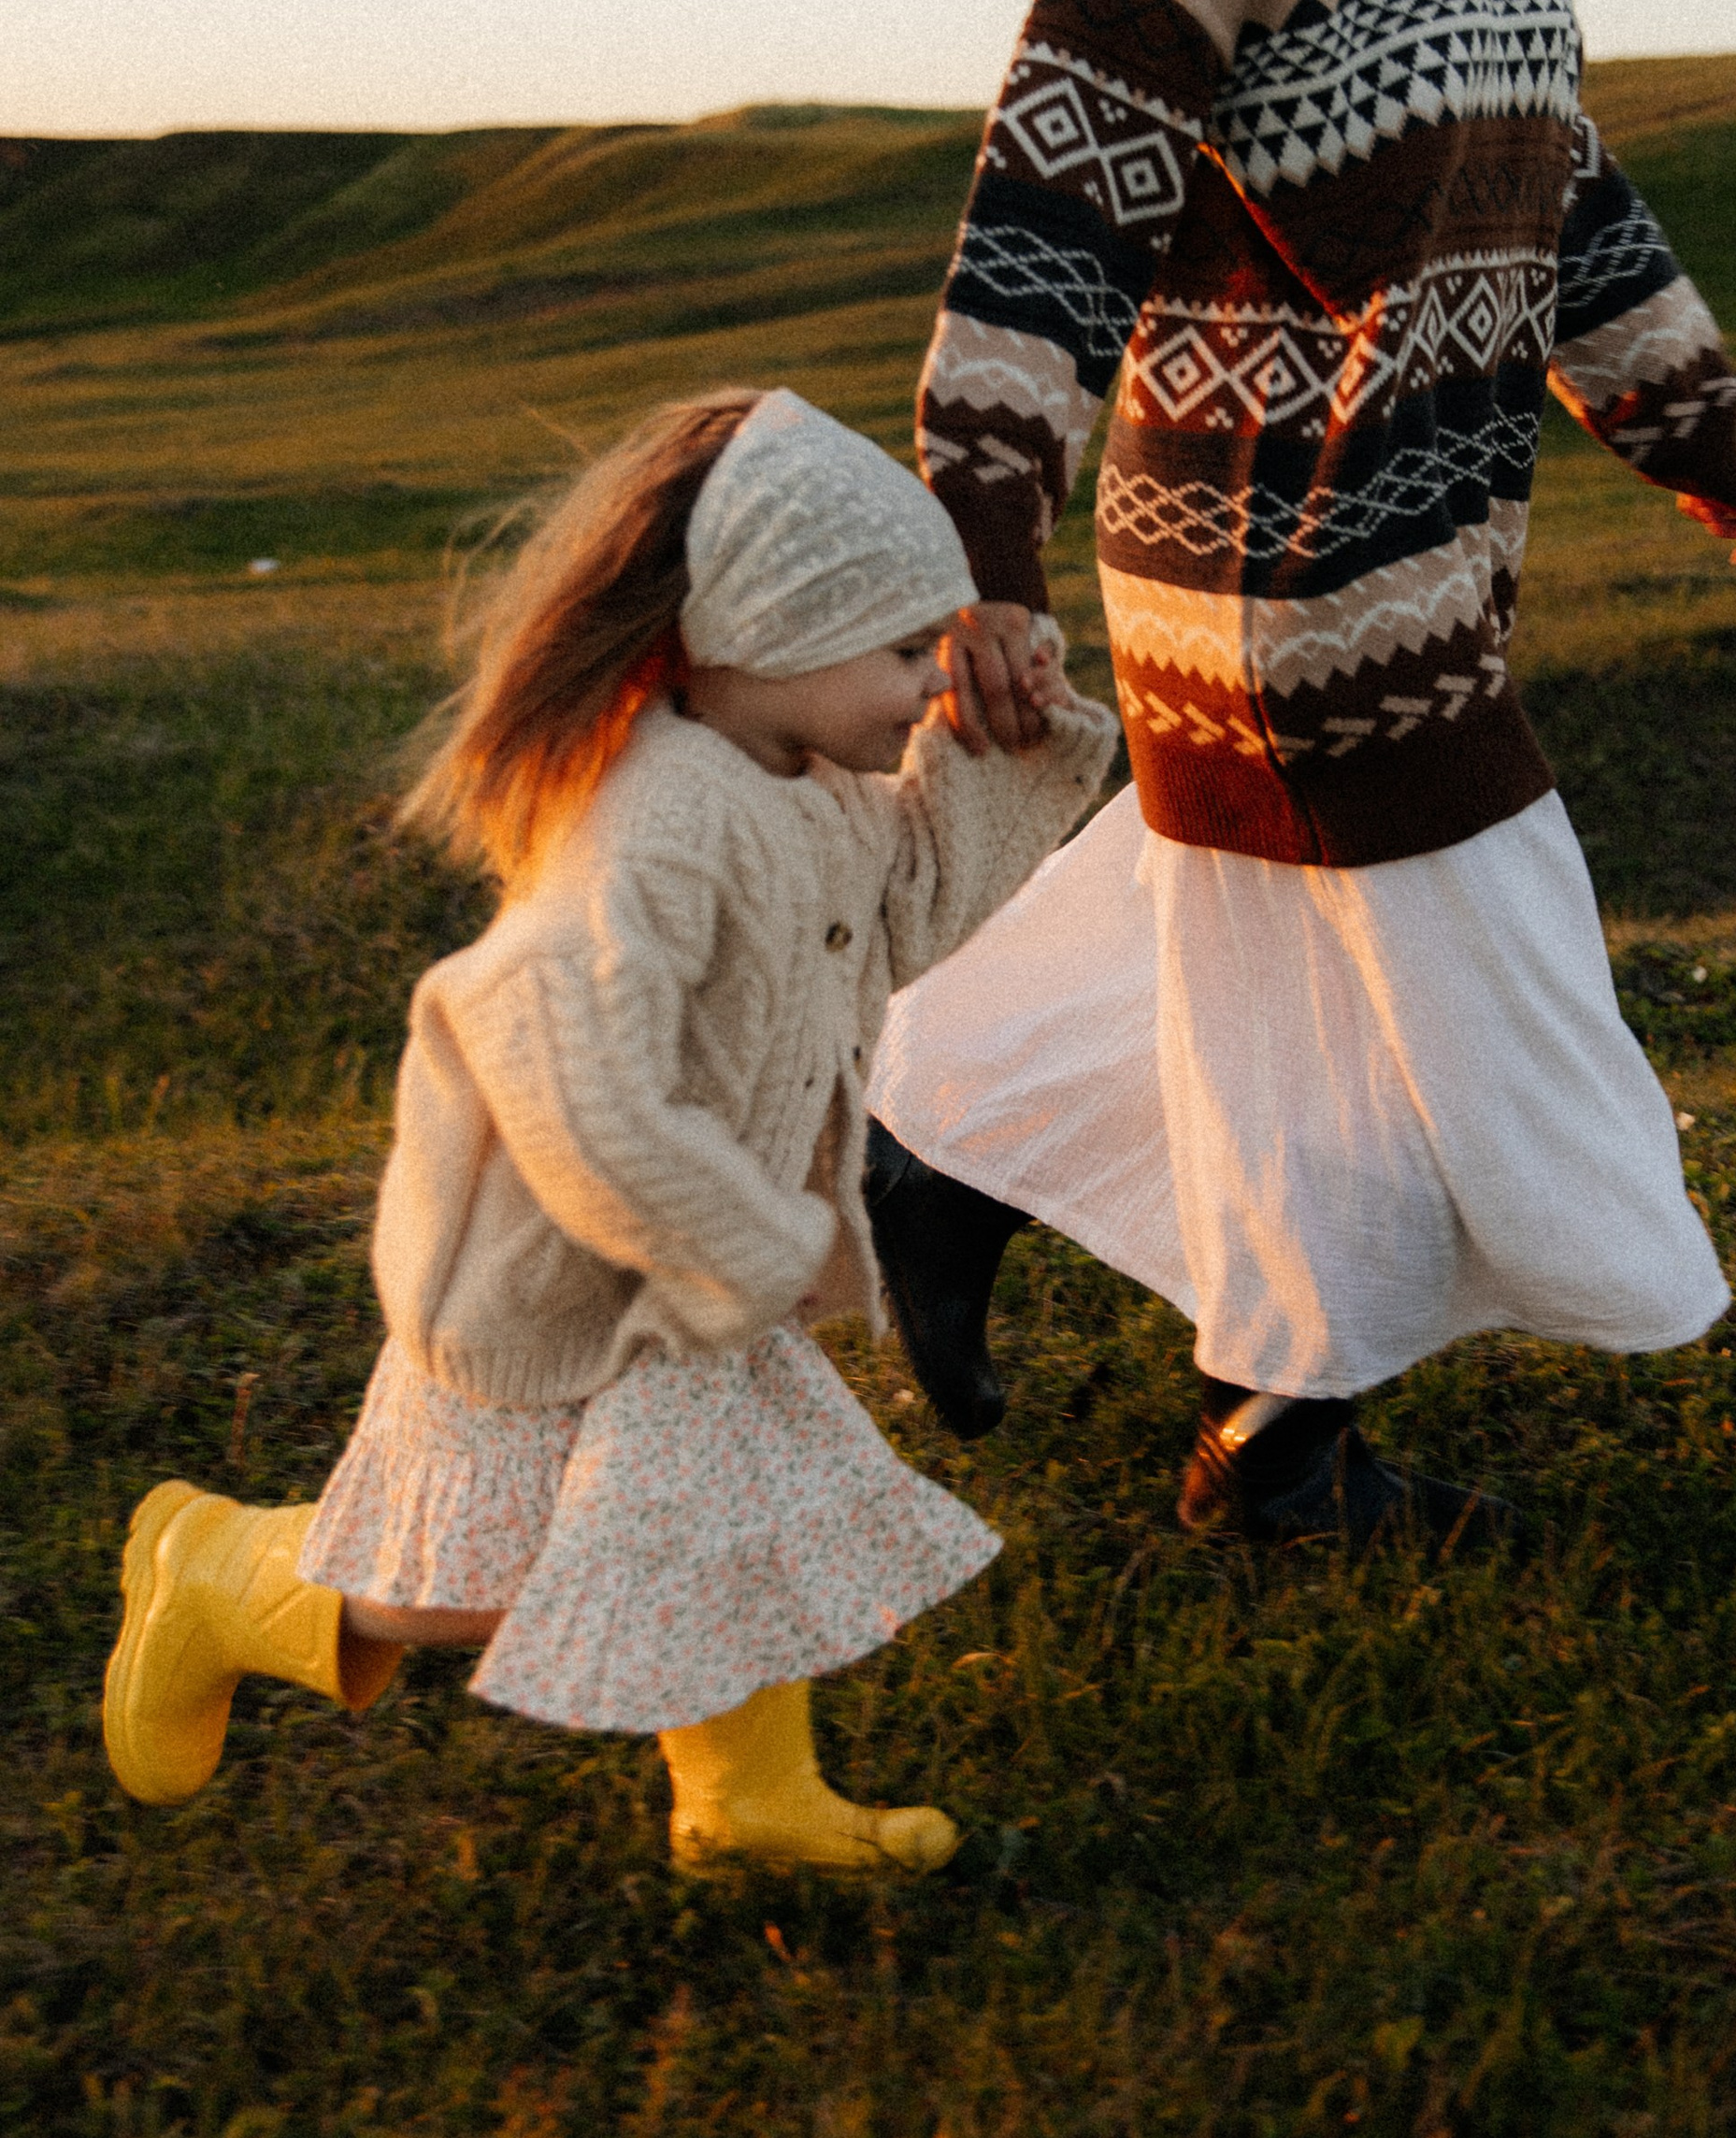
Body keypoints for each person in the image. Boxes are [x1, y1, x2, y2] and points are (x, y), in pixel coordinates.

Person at [865, 0, 1736, 1552]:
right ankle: (1263, 1419)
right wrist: (979, 535)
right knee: (1473, 956)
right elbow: (1050, 185)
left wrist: (1684, 418)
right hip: (1266, 549)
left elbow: (1544, 170)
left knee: (1278, 965)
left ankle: (973, 1158)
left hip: (1426, 531)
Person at [102, 388, 1115, 1872]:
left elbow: (901, 913)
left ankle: (745, 1798)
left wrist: (995, 750)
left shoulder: (812, 778)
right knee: (481, 1583)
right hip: (569, 1269)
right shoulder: (654, 820)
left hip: (683, 1275)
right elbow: (546, 1051)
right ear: (765, 630)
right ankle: (218, 1572)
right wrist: (748, 1234)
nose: (927, 683)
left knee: (722, 1518)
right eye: (906, 651)